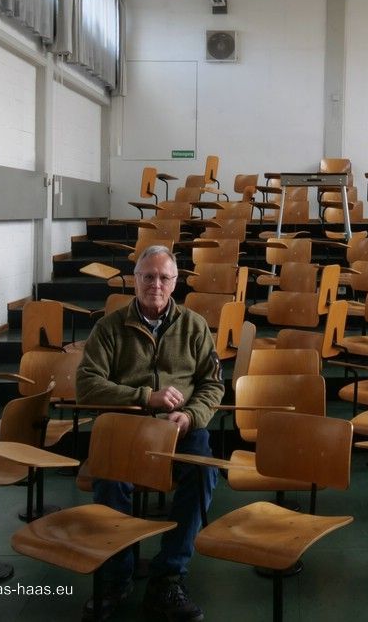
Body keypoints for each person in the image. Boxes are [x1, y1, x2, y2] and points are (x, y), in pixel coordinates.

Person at [77, 245, 223, 622]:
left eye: (163, 277)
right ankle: (116, 577)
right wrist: (146, 397)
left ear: (175, 283)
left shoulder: (195, 326)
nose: (155, 284)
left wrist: (190, 415)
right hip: (126, 426)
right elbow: (87, 386)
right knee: (109, 478)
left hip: (180, 429)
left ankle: (169, 576)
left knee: (204, 470)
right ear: (135, 280)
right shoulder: (109, 327)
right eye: (148, 276)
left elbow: (213, 384)